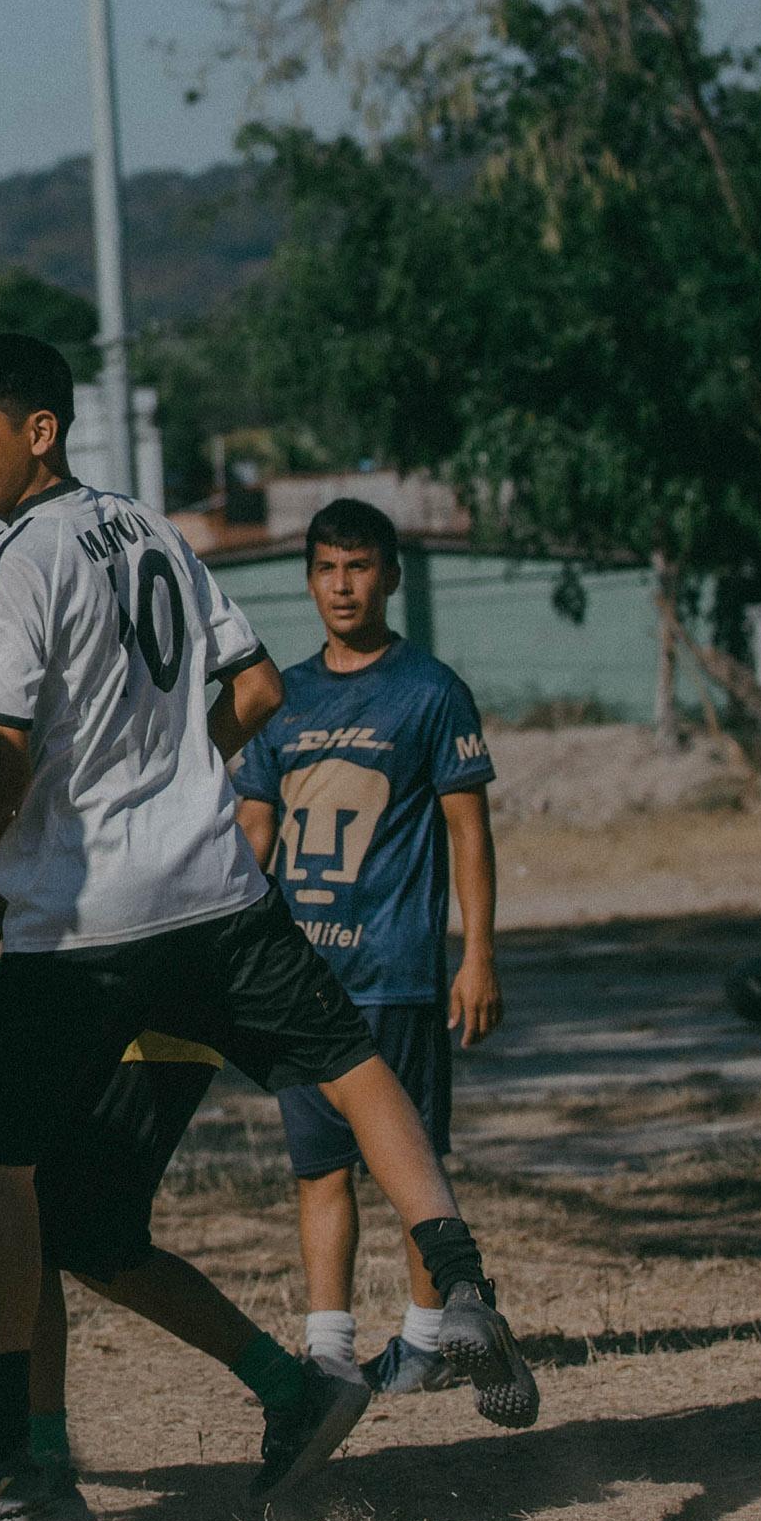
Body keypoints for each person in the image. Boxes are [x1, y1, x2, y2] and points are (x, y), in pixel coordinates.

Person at [0, 336, 540, 1521]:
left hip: (89, 924)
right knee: (336, 1072)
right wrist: (162, 777)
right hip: (217, 898)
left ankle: (10, 1462)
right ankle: (441, 1281)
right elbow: (255, 697)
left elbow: (5, 753)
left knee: (2, 1178)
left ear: (39, 431)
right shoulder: (149, 530)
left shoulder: (13, 558)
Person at [234, 498, 504, 1396]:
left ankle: (428, 1345)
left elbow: (469, 831)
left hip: (396, 975)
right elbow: (254, 835)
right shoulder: (282, 696)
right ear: (308, 579)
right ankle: (329, 1350)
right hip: (302, 981)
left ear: (390, 575)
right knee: (318, 1170)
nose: (342, 587)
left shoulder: (430, 690)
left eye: (359, 568)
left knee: (410, 1168)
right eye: (326, 569)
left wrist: (477, 956)